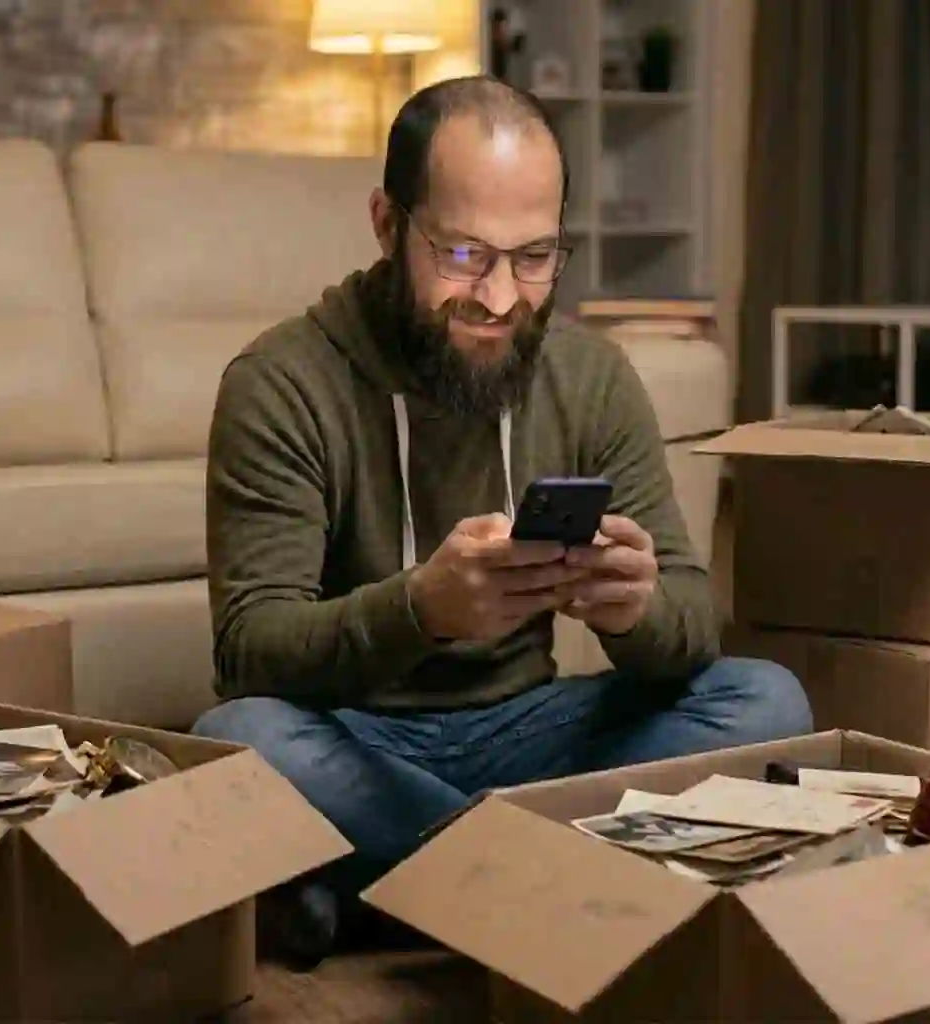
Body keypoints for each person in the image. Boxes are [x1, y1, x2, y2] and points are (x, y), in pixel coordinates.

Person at [193, 75, 812, 966]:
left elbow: (689, 626)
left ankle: (385, 888)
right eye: (460, 257)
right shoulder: (282, 384)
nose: (498, 299)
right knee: (240, 742)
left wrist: (634, 609)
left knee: (766, 699)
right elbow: (249, 651)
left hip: (532, 734)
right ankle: (558, 886)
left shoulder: (592, 376)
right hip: (356, 737)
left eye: (534, 257)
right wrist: (423, 609)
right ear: (385, 223)